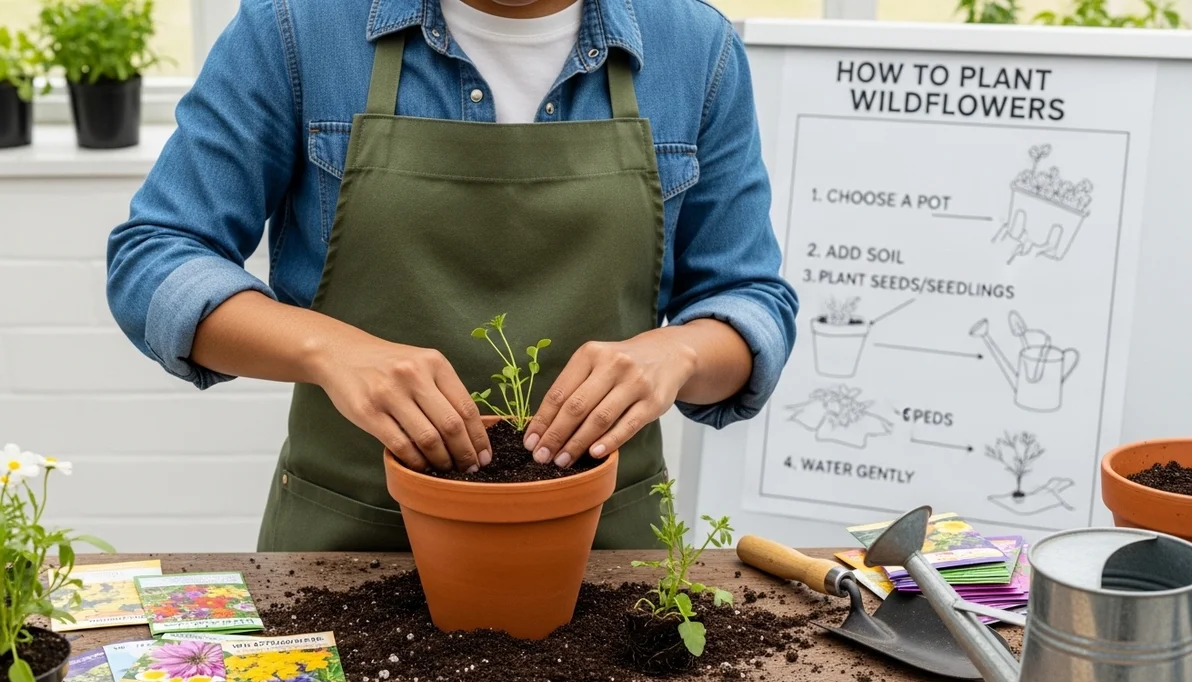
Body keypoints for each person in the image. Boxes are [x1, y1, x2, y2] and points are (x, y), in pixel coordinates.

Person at [106, 0, 798, 552]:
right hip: (347, 550)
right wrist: (329, 349)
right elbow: (157, 257)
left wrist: (679, 353)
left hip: (602, 559)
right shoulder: (296, 28)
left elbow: (751, 301)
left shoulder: (694, 48)